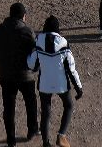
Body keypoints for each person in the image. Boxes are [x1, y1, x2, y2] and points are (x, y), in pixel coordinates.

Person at [0, 2, 38, 147]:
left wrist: (1, 62)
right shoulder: (28, 32)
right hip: (25, 76)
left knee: (8, 106)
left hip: (6, 75)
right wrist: (33, 68)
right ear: (23, 16)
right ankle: (32, 130)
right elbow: (35, 53)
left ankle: (11, 139)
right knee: (30, 102)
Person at [27, 16, 83, 147]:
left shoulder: (38, 41)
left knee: (46, 112)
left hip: (44, 84)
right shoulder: (63, 43)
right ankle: (61, 136)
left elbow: (32, 65)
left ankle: (46, 143)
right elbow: (71, 69)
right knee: (68, 105)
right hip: (61, 84)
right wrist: (78, 87)